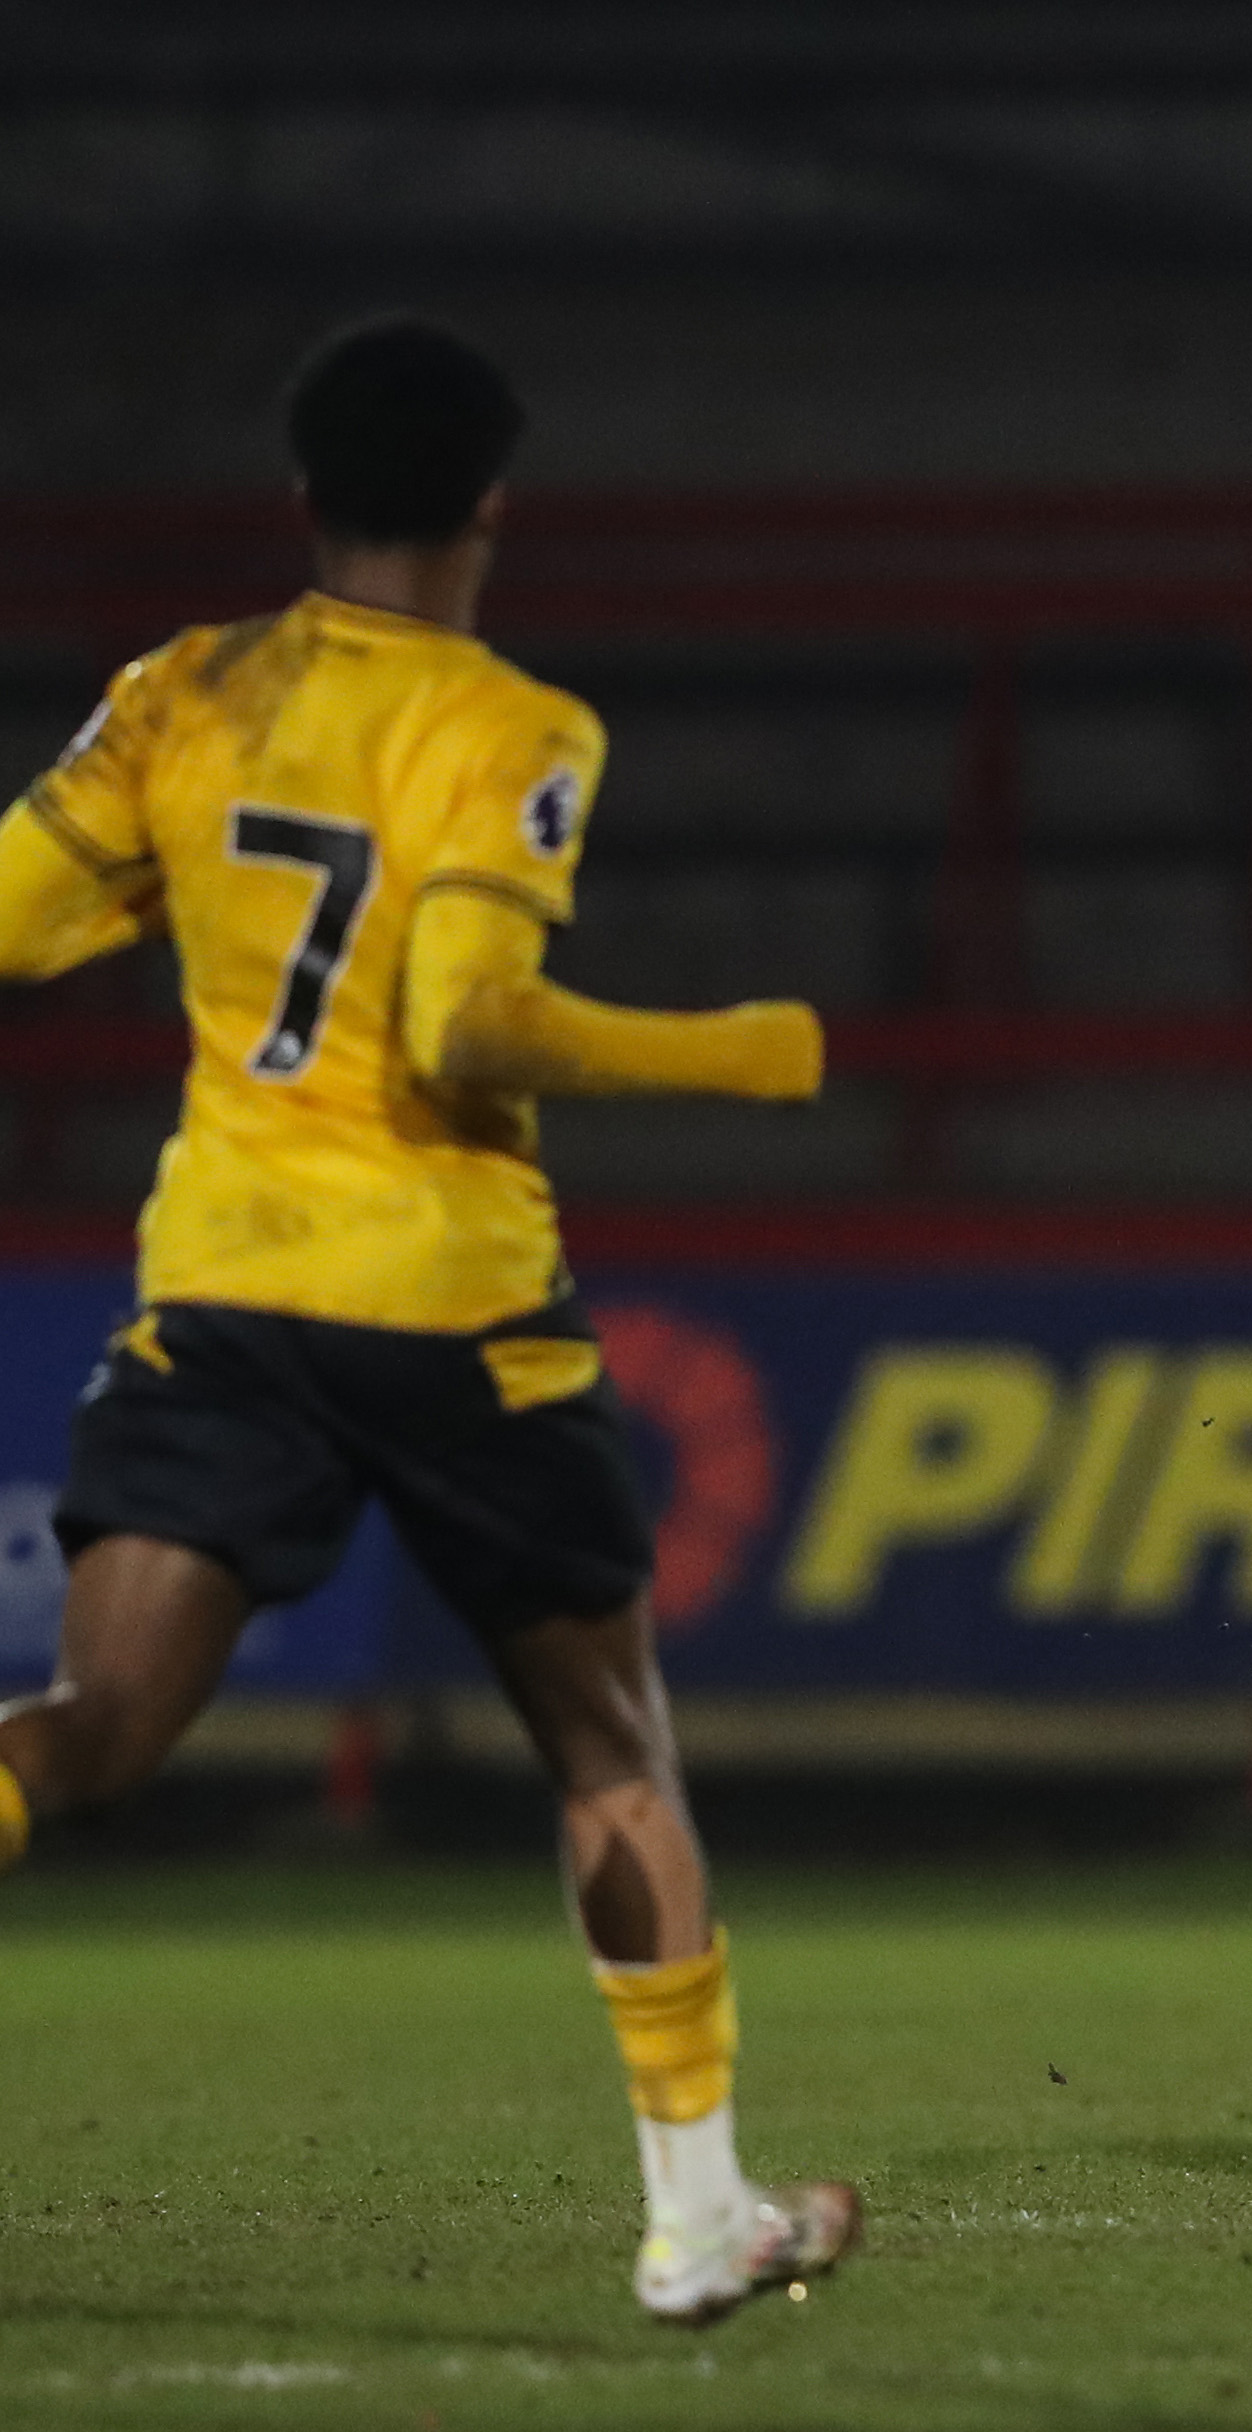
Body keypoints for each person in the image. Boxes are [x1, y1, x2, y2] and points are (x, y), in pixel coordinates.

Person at [0, 317, 857, 2324]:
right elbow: (462, 1020)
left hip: (223, 1286)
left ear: (304, 499)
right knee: (609, 1750)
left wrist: (189, 895)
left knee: (95, 1730)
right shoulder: (510, 725)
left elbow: (17, 918)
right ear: (492, 503)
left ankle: (706, 2214)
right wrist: (743, 1052)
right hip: (456, 1300)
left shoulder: (182, 692)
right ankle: (695, 2213)